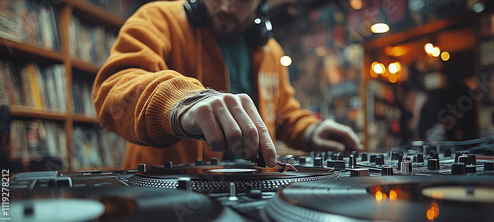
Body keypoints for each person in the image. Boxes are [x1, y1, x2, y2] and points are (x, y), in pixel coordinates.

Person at [93, 0, 363, 169]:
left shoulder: (271, 51)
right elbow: (113, 91)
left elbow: (281, 115)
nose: (225, 6)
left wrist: (310, 131)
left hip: (252, 193)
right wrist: (181, 104)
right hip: (166, 199)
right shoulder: (157, 19)